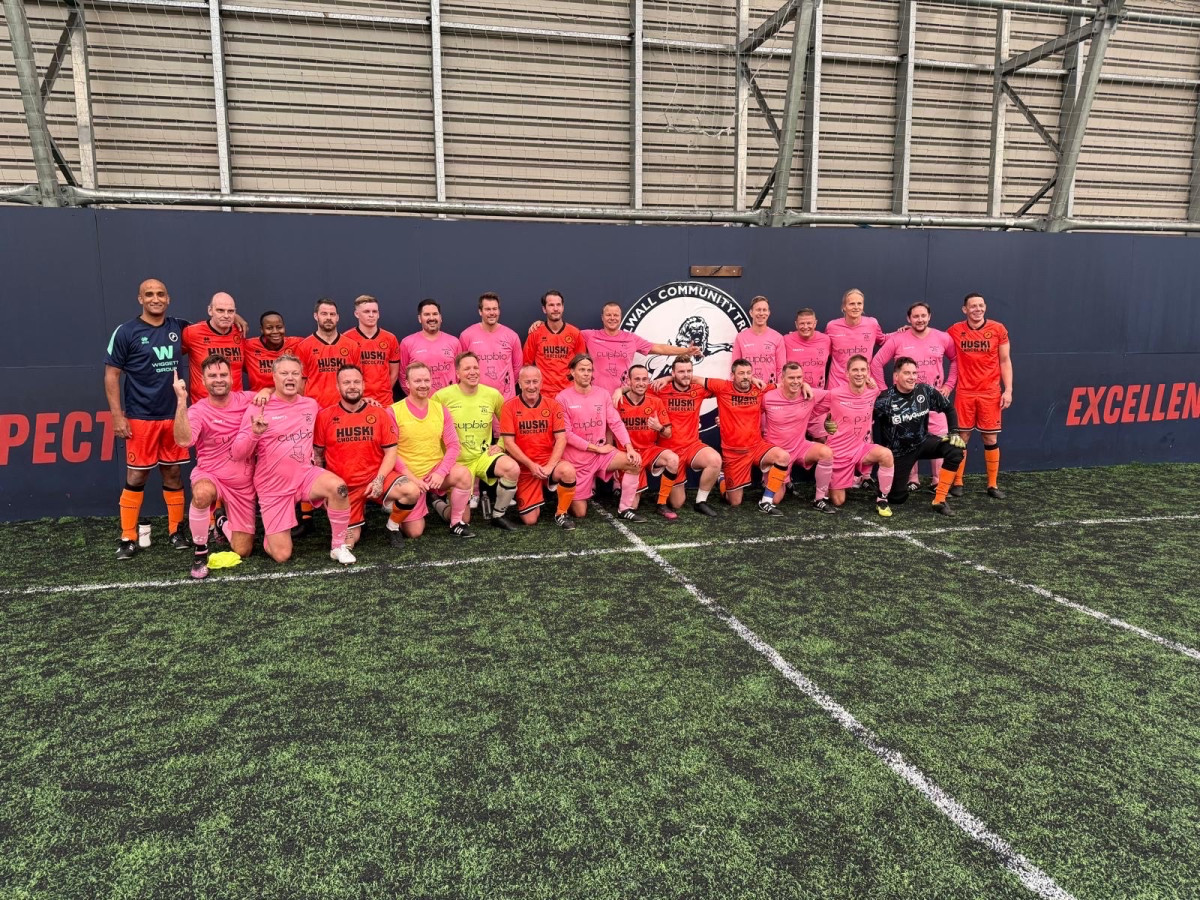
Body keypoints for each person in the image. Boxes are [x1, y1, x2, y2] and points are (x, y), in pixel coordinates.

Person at [231, 354, 356, 564]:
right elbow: (237, 453)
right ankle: (271, 538)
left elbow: (338, 416)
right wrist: (254, 433)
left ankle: (338, 546)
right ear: (274, 377)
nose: (290, 378)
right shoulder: (259, 407)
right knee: (282, 555)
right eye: (284, 373)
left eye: (295, 373)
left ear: (301, 378)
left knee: (339, 488)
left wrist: (367, 403)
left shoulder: (310, 405)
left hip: (305, 475)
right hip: (273, 485)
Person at [104, 278, 193, 559]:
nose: (156, 299)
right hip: (141, 416)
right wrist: (118, 416)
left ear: (168, 299)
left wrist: (235, 316)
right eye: (149, 294)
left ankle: (176, 530)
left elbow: (211, 331)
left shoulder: (180, 328)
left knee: (173, 472)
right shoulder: (126, 332)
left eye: (161, 294)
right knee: (137, 475)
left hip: (174, 416)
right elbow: (111, 375)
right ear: (140, 299)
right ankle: (128, 536)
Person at [172, 354, 263, 577]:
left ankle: (221, 521)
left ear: (232, 378)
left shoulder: (247, 400)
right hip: (210, 474)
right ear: (203, 381)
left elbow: (273, 395)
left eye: (223, 374)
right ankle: (200, 551)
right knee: (202, 494)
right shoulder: (198, 410)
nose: (218, 379)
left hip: (241, 482)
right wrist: (182, 401)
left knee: (243, 550)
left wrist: (267, 392)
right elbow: (184, 440)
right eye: (212, 376)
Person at [313, 365, 421, 548]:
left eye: (356, 382)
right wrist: (326, 489)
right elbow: (317, 456)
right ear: (338, 387)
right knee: (347, 544)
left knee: (411, 491)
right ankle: (356, 517)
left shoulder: (379, 413)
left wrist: (379, 480)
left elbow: (391, 452)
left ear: (363, 385)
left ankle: (392, 526)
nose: (352, 386)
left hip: (375, 477)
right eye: (346, 382)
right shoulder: (325, 416)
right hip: (345, 487)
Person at [870, 301, 958, 490]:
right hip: (904, 402)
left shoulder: (943, 338)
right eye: (916, 316)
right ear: (909, 319)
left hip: (931, 399)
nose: (920, 320)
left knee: (942, 437)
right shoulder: (897, 339)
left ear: (929, 316)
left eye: (923, 316)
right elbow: (876, 363)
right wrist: (884, 392)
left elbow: (955, 359)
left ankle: (938, 481)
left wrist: (949, 385)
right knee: (907, 438)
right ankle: (913, 479)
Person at [432, 352, 522, 531]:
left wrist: (502, 444)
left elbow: (508, 423)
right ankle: (436, 503)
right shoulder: (441, 397)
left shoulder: (492, 395)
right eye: (467, 368)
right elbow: (430, 430)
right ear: (457, 373)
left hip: (483, 457)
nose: (472, 372)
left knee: (512, 468)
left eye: (475, 367)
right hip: (456, 464)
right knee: (463, 518)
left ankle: (498, 515)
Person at [387, 361, 475, 539]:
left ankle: (455, 523)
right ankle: (397, 505)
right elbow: (390, 453)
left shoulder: (440, 409)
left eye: (426, 380)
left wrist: (441, 472)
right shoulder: (393, 411)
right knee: (414, 532)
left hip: (434, 473)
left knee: (464, 474)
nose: (423, 385)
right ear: (407, 383)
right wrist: (413, 479)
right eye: (418, 381)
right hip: (408, 477)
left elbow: (453, 446)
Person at [872, 357, 966, 516]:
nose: (912, 377)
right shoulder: (884, 399)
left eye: (914, 373)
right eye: (907, 373)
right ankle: (889, 487)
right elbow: (869, 423)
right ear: (896, 376)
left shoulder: (925, 390)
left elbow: (949, 408)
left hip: (923, 442)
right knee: (898, 498)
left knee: (955, 448)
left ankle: (939, 500)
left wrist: (954, 432)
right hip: (900, 453)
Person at [558, 354, 645, 522]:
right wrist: (596, 448)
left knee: (634, 462)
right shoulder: (562, 398)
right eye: (582, 370)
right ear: (572, 372)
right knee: (580, 512)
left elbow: (615, 422)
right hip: (578, 459)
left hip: (601, 455)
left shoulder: (603, 394)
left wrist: (629, 447)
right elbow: (566, 434)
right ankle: (567, 490)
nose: (586, 373)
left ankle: (624, 509)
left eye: (589, 370)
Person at [702, 360, 793, 516]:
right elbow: (693, 379)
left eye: (748, 373)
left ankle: (766, 502)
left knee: (782, 457)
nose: (746, 377)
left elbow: (783, 385)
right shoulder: (722, 387)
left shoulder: (758, 388)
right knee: (734, 502)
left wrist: (804, 385)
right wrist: (667, 379)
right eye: (741, 373)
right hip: (734, 452)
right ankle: (722, 478)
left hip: (756, 446)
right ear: (733, 375)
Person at [946, 292, 1012, 499]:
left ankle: (992, 485)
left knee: (990, 437)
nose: (977, 309)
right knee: (962, 437)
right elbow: (930, 338)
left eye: (981, 305)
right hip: (965, 392)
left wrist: (1008, 389)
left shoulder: (998, 329)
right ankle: (958, 482)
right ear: (964, 309)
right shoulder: (955, 330)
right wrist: (905, 331)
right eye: (973, 306)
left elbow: (1005, 361)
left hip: (990, 392)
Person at [810, 355, 895, 516]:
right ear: (846, 373)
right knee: (838, 501)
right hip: (839, 453)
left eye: (863, 369)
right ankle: (846, 480)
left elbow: (876, 391)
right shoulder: (834, 394)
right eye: (855, 370)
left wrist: (874, 384)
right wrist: (825, 425)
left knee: (886, 455)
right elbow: (812, 410)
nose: (859, 373)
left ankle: (882, 500)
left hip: (861, 449)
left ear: (868, 372)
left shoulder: (872, 392)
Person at [499, 366, 578, 529]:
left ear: (541, 383)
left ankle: (561, 513)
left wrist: (549, 466)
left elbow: (561, 439)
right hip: (525, 469)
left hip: (548, 463)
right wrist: (530, 465)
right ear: (519, 383)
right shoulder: (509, 407)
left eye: (535, 381)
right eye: (527, 382)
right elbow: (508, 443)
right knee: (530, 520)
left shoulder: (553, 405)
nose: (531, 386)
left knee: (568, 471)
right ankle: (543, 493)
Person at [649, 357, 722, 517]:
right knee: (677, 503)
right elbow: (635, 389)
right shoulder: (661, 387)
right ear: (673, 372)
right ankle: (665, 492)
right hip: (670, 450)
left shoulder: (698, 389)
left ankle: (700, 502)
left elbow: (724, 389)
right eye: (681, 371)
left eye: (689, 371)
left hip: (692, 446)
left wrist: (725, 417)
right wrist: (620, 391)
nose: (686, 375)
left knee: (715, 460)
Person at [762, 362, 836, 512]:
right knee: (775, 499)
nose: (796, 381)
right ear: (782, 378)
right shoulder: (768, 398)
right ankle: (782, 479)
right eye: (791, 378)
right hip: (777, 454)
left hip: (800, 447)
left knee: (826, 453)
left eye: (799, 377)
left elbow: (836, 397)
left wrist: (830, 417)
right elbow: (748, 413)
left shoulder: (809, 394)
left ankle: (820, 499)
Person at [577, 302, 697, 395]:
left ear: (620, 317)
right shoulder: (590, 336)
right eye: (608, 315)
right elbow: (566, 336)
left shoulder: (631, 339)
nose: (612, 318)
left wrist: (686, 350)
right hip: (596, 395)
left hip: (624, 394)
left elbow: (660, 348)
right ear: (602, 317)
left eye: (616, 315)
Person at [616, 364, 682, 520]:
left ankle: (661, 503)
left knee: (673, 459)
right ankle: (623, 488)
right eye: (637, 379)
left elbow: (668, 433)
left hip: (649, 450)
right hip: (628, 454)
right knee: (633, 506)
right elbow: (610, 431)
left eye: (644, 379)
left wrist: (659, 427)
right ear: (629, 381)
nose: (641, 383)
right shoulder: (618, 402)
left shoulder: (656, 402)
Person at [459, 292, 523, 401]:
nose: (492, 313)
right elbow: (461, 367)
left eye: (495, 309)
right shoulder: (467, 336)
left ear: (499, 311)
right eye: (488, 309)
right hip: (477, 399)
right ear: (480, 311)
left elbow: (517, 368)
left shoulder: (512, 336)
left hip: (505, 399)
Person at [298, 298, 361, 409]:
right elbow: (300, 383)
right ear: (316, 316)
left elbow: (358, 379)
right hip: (315, 409)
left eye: (332, 314)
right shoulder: (304, 346)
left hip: (344, 408)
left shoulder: (352, 345)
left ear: (337, 317)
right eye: (324, 314)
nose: (328, 318)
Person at [181, 292, 245, 401]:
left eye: (230, 311)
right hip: (204, 407)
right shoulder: (192, 333)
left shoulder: (240, 331)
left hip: (236, 407)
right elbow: (172, 357)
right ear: (210, 311)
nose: (226, 315)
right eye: (220, 310)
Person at [783, 306, 834, 444]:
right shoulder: (786, 340)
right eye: (802, 323)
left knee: (823, 440)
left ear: (815, 323)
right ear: (796, 324)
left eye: (809, 323)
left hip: (817, 401)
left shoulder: (826, 340)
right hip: (793, 400)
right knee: (787, 443)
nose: (805, 327)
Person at [522, 290, 583, 399]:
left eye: (558, 305)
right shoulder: (535, 333)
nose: (555, 308)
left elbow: (582, 364)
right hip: (543, 393)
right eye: (551, 305)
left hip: (569, 393)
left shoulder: (575, 333)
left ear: (563, 307)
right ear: (544, 309)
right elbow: (526, 365)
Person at [343, 294, 401, 406]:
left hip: (385, 401)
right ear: (356, 314)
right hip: (357, 401)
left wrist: (384, 389)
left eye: (374, 312)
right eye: (366, 312)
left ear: (378, 314)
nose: (371, 315)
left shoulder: (390, 338)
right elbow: (343, 373)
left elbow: (394, 373)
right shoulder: (347, 339)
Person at [825, 289, 886, 390]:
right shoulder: (832, 326)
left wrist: (907, 331)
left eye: (859, 303)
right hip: (837, 386)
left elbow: (883, 339)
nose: (856, 307)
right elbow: (820, 346)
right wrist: (798, 337)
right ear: (844, 307)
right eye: (852, 304)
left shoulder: (872, 324)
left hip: (863, 385)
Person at [399, 299, 460, 395]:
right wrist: (416, 398)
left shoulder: (454, 342)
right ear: (419, 318)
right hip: (421, 403)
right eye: (427, 314)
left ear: (440, 317)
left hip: (449, 403)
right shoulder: (407, 343)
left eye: (435, 314)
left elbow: (460, 373)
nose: (432, 318)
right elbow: (403, 375)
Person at [731, 295, 786, 385]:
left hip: (769, 390)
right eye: (758, 310)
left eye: (764, 310)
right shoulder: (741, 337)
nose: (761, 313)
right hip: (747, 389)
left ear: (768, 313)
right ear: (751, 313)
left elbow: (781, 369)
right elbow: (735, 367)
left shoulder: (777, 337)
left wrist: (778, 389)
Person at [243, 311, 302, 391]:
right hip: (258, 399)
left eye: (279, 327)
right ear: (262, 330)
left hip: (287, 398)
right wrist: (236, 318)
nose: (275, 331)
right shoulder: (248, 346)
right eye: (269, 328)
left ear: (284, 327)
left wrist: (269, 391)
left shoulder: (297, 344)